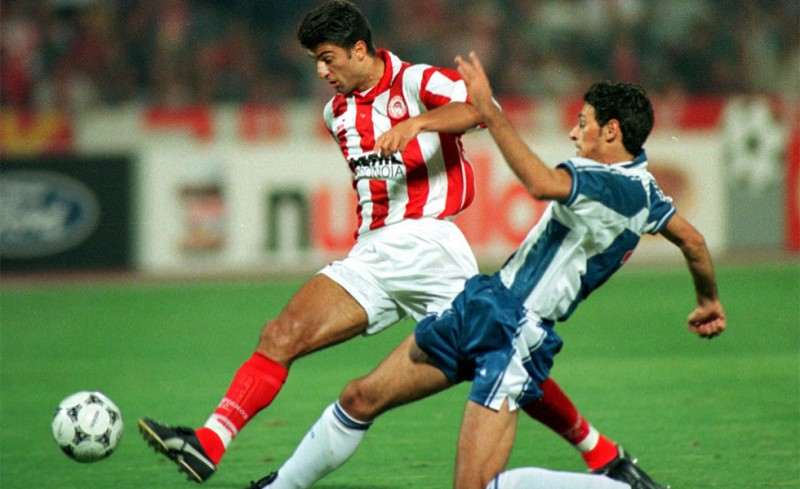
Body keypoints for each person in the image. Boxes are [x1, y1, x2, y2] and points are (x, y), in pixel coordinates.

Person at [139, 1, 638, 484]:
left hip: (431, 246)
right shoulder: (336, 114)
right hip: (373, 254)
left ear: (360, 50)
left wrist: (418, 122)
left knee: (506, 356)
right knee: (281, 334)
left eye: (327, 58)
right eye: (314, 61)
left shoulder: (416, 82)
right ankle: (210, 441)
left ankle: (600, 452)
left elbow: (481, 110)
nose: (321, 72)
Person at [246, 52, 726, 489]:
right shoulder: (647, 193)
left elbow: (540, 183)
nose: (574, 133)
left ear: (612, 131)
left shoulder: (606, 183)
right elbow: (694, 242)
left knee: (473, 486)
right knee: (359, 397)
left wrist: (490, 113)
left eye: (583, 123)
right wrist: (708, 301)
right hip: (482, 306)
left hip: (513, 334)